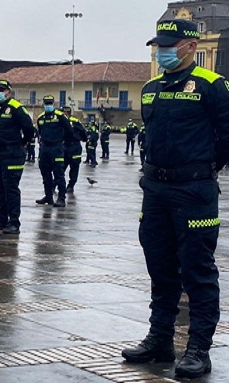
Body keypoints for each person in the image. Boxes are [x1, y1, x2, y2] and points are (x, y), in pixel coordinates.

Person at [121, 19, 229, 379]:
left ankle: (198, 348)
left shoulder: (213, 86)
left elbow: (226, 136)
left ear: (189, 45)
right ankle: (160, 339)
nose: (162, 51)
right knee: (160, 266)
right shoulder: (151, 88)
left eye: (169, 45)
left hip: (193, 190)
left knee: (197, 269)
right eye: (159, 45)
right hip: (155, 190)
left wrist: (205, 167)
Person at [0, 80, 34, 234]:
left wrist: (22, 143)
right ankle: (1, 219)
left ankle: (14, 222)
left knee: (10, 188)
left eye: (1, 89)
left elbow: (29, 129)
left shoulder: (16, 108)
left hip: (12, 153)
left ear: (8, 92)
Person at [35, 95, 72, 208]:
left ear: (54, 104)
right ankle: (48, 196)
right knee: (45, 174)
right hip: (44, 149)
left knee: (59, 174)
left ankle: (61, 198)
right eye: (46, 104)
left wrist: (64, 144)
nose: (48, 106)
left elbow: (69, 131)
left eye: (50, 103)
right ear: (43, 104)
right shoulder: (41, 118)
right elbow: (40, 132)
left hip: (57, 148)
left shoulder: (60, 116)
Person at [62, 106, 88, 193]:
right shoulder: (60, 121)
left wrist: (83, 139)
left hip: (74, 147)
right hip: (64, 146)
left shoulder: (75, 121)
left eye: (64, 112)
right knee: (60, 168)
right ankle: (56, 185)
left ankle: (71, 186)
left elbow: (83, 132)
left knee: (74, 168)